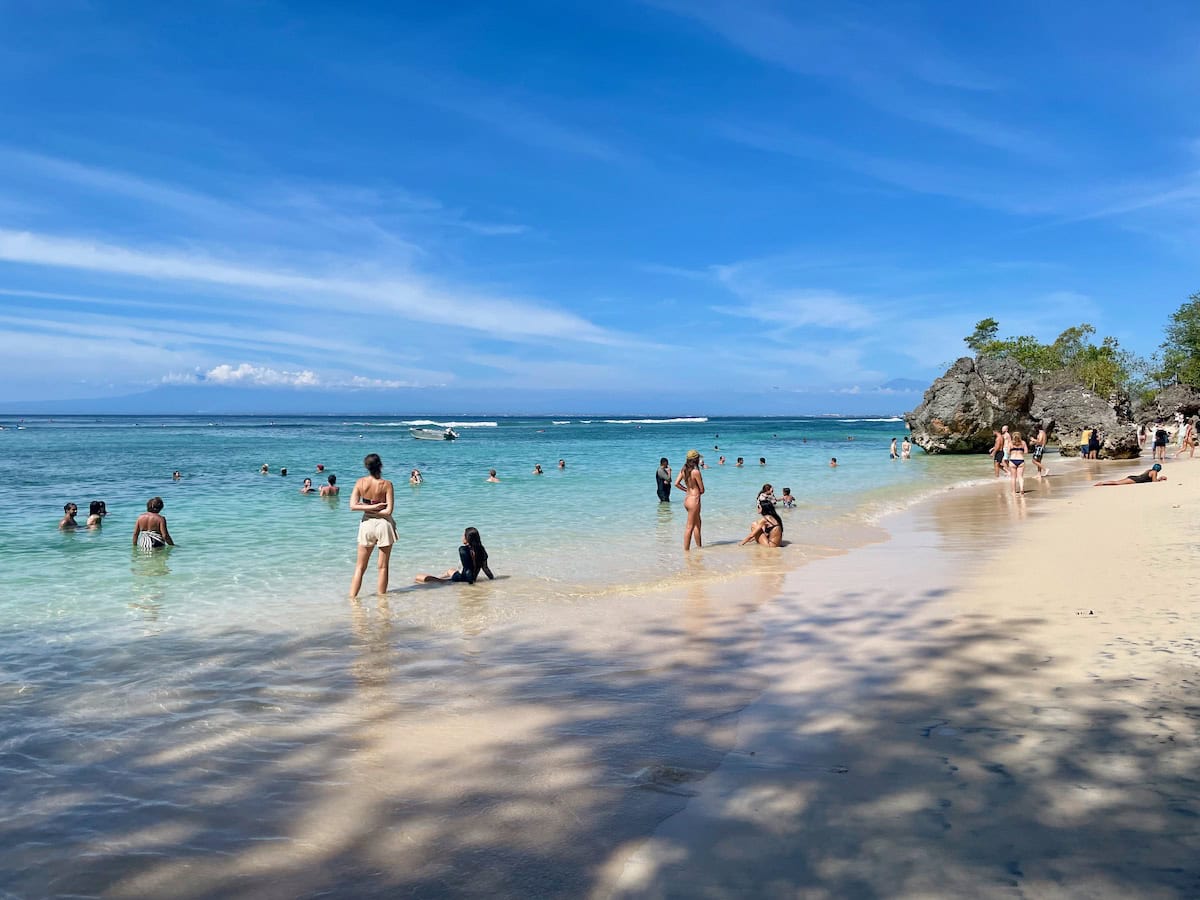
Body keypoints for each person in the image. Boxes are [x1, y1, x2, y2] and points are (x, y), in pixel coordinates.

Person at [349, 453, 396, 597]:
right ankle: (382, 600)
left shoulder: (360, 482)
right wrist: (378, 508)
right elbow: (389, 510)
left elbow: (353, 506)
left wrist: (368, 508)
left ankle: (352, 598)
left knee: (360, 567)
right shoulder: (386, 484)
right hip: (384, 525)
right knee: (382, 567)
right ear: (380, 466)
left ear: (366, 467)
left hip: (367, 524)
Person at [415, 527, 496, 584]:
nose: (462, 537)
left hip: (460, 579)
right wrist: (492, 580)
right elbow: (485, 568)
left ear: (467, 538)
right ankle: (440, 577)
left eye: (463, 535)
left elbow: (467, 570)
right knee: (450, 570)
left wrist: (471, 584)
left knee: (418, 577)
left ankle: (440, 580)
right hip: (469, 577)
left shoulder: (463, 549)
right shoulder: (481, 549)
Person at [675, 449, 704, 551]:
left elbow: (676, 483)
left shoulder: (683, 470)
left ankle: (699, 547)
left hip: (687, 499)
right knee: (690, 527)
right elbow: (702, 489)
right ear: (695, 459)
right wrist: (696, 493)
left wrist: (686, 490)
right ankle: (686, 551)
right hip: (694, 500)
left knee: (697, 523)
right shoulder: (695, 472)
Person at [1095, 464, 1167, 486]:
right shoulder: (1154, 472)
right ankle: (1102, 483)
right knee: (1117, 483)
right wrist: (1160, 479)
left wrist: (1159, 478)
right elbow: (1154, 481)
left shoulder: (1149, 470)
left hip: (1135, 477)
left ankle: (1102, 483)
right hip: (1135, 480)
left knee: (1117, 482)